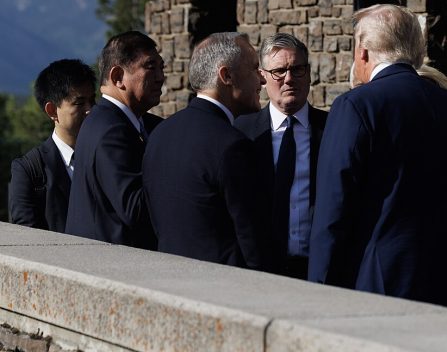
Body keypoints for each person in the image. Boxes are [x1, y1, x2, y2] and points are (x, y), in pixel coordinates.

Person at [308, 4, 447, 311]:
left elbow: (333, 211)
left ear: (363, 53)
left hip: (381, 285)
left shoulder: (357, 106)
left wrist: (318, 294)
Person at [143, 32, 268, 267]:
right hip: (223, 284)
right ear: (226, 75)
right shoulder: (232, 146)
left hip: (167, 278)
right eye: (254, 68)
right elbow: (253, 242)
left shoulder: (160, 134)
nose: (262, 80)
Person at [235, 33, 327, 279]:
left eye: (297, 69)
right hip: (258, 273)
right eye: (279, 71)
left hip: (319, 271)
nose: (289, 78)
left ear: (309, 73)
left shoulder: (332, 129)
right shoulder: (242, 131)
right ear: (262, 77)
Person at [65, 31, 164, 249]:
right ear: (118, 77)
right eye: (150, 67)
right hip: (113, 261)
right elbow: (135, 208)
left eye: (162, 67)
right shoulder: (111, 130)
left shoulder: (113, 121)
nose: (160, 77)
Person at [8, 59, 96, 232]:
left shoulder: (106, 154)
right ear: (52, 110)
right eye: (79, 103)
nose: (90, 109)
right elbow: (27, 234)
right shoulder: (30, 170)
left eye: (92, 101)